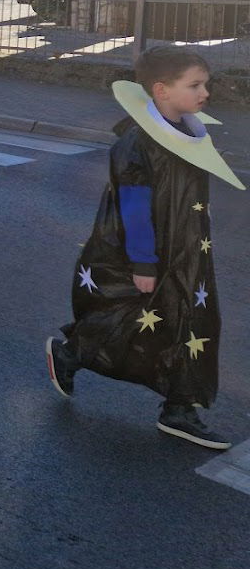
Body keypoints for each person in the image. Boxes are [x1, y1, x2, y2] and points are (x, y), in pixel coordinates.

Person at [46, 50, 244, 450]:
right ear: (161, 90)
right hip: (154, 255)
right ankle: (73, 353)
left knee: (194, 322)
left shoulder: (189, 131)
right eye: (195, 85)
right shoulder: (137, 143)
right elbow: (134, 206)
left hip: (189, 251)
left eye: (206, 83)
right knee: (143, 323)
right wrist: (143, 261)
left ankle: (179, 407)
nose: (206, 92)